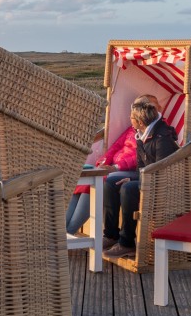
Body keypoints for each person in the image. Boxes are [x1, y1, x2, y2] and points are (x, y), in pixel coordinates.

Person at [67, 94, 160, 236]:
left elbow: (138, 158)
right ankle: (63, 229)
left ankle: (70, 230)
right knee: (84, 178)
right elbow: (116, 146)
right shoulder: (132, 129)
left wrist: (116, 167)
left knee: (101, 179)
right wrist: (104, 161)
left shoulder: (155, 131)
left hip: (129, 170)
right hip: (114, 166)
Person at [103, 99, 178, 259]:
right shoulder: (141, 135)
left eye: (131, 118)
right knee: (110, 182)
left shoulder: (162, 138)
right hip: (147, 176)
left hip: (161, 183)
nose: (129, 120)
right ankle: (111, 235)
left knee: (128, 189)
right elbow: (140, 168)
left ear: (140, 121)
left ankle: (126, 243)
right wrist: (134, 178)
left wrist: (132, 181)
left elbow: (162, 170)